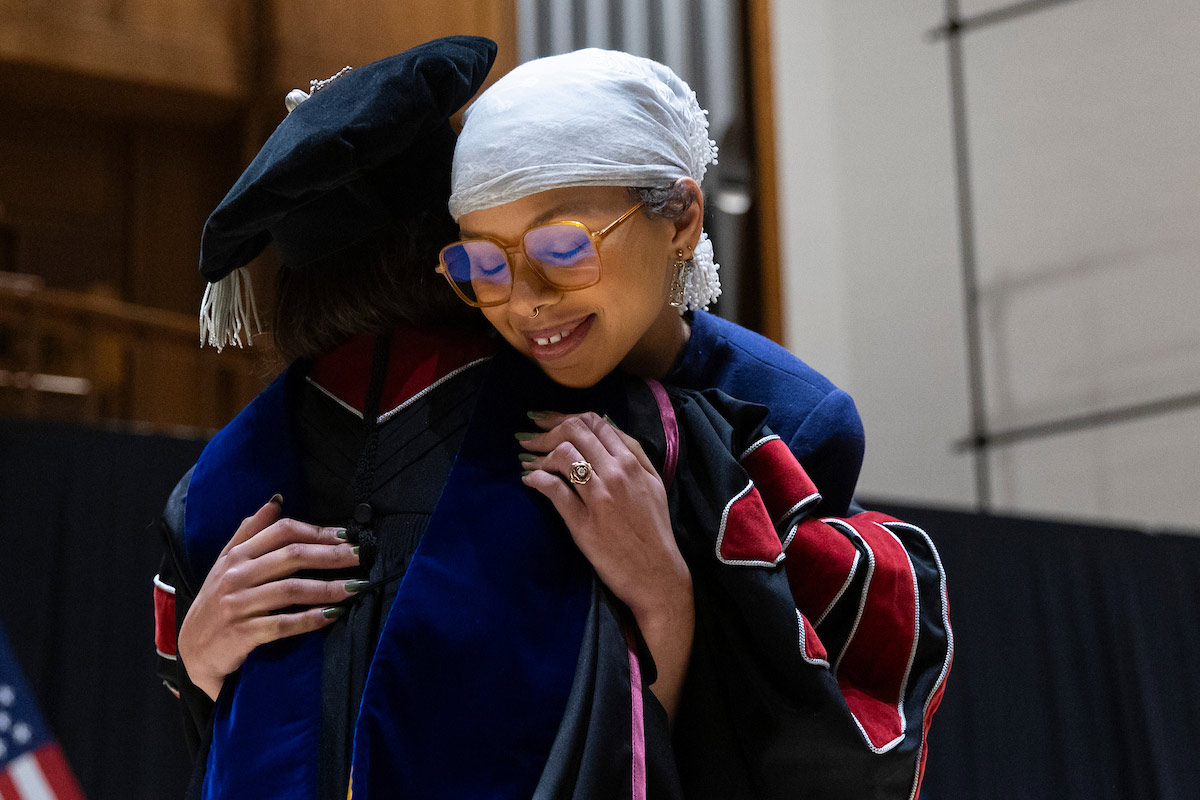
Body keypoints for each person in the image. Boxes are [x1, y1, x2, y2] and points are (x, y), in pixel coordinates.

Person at [154, 38, 950, 800]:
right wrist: (199, 656)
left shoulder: (771, 423)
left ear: (679, 221)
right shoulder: (263, 464)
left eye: (564, 252)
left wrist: (667, 600)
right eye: (482, 265)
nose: (528, 304)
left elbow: (773, 734)